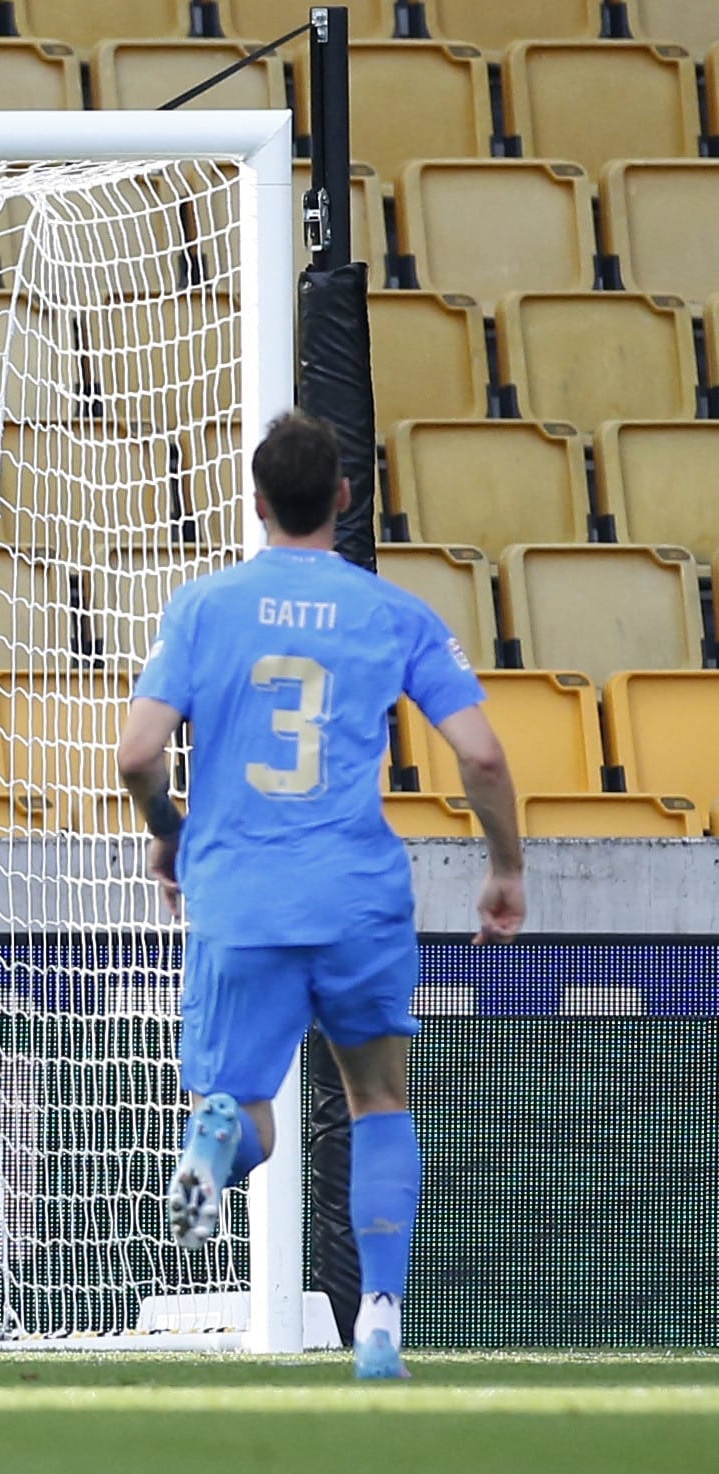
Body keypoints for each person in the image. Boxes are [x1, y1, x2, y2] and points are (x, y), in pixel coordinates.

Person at [114, 410, 525, 1380]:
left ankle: (215, 1139)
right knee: (376, 1095)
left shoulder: (202, 606)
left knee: (240, 1098)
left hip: (238, 891)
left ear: (256, 503)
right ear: (343, 497)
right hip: (354, 893)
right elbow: (480, 754)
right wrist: (503, 868)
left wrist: (168, 836)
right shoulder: (391, 612)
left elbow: (134, 754)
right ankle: (377, 1321)